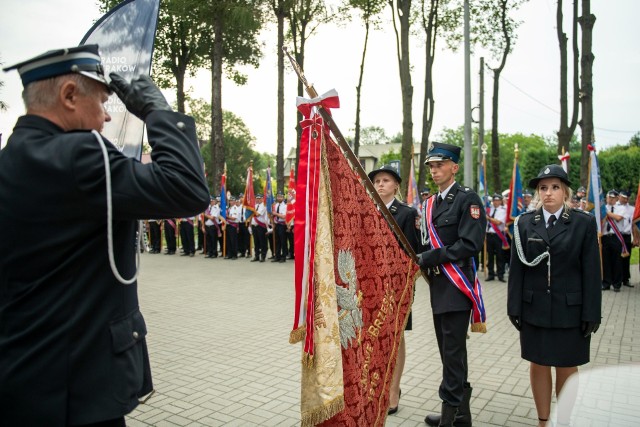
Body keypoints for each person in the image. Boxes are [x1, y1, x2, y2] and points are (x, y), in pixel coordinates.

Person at [0, 45, 210, 425]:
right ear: (68, 96)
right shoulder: (78, 156)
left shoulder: (12, 157)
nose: (104, 118)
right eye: (101, 101)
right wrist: (158, 114)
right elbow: (187, 189)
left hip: (25, 375)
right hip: (77, 388)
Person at [507, 165, 601, 427]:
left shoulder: (582, 222)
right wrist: (514, 306)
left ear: (565, 192)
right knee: (538, 364)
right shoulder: (525, 223)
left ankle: (565, 420)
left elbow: (591, 272)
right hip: (533, 307)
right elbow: (517, 270)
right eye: (543, 188)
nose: (548, 193)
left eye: (555, 187)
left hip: (570, 309)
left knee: (567, 367)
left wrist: (592, 312)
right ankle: (543, 420)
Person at [418, 142, 487, 427]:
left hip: (457, 288)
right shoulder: (431, 203)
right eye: (432, 167)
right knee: (449, 351)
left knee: (452, 352)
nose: (435, 171)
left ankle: (450, 416)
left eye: (440, 165)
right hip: (438, 287)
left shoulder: (467, 199)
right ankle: (461, 414)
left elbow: (469, 244)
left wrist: (431, 256)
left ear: (454, 167)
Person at [367, 165, 420, 416]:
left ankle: (393, 390)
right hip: (370, 286)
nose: (380, 184)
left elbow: (413, 252)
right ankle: (377, 385)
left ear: (396, 185)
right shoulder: (366, 210)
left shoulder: (407, 214)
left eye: (385, 180)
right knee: (375, 336)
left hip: (396, 286)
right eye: (376, 180)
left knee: (396, 337)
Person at [602, 190, 625, 292]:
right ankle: (606, 283)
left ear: (616, 198)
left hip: (616, 236)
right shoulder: (602, 209)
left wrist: (606, 213)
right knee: (606, 261)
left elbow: (618, 218)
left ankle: (617, 284)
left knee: (617, 261)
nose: (610, 199)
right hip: (605, 237)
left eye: (612, 197)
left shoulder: (621, 208)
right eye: (608, 197)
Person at [485, 193, 508, 282]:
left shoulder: (503, 210)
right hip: (489, 235)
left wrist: (489, 219)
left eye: (498, 200)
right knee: (490, 256)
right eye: (494, 200)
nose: (496, 202)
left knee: (500, 256)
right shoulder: (488, 210)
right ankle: (491, 274)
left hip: (498, 236)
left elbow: (498, 222)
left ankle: (500, 275)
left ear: (501, 201)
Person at [616, 191, 634, 288]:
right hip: (617, 234)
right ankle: (616, 279)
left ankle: (625, 279)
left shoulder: (631, 209)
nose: (626, 200)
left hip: (626, 235)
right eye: (624, 197)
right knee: (616, 258)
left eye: (627, 198)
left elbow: (633, 224)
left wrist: (634, 238)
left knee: (626, 258)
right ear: (619, 197)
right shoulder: (615, 206)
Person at [252, 194, 268, 262]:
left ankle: (263, 256)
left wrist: (252, 210)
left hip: (261, 226)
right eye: (257, 198)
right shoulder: (254, 206)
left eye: (259, 198)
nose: (258, 200)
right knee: (256, 242)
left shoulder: (263, 206)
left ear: (262, 199)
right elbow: (251, 216)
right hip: (254, 226)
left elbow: (258, 214)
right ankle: (256, 256)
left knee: (262, 242)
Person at [272, 191, 288, 262]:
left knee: (283, 241)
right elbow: (273, 214)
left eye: (280, 196)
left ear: (283, 197)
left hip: (282, 225)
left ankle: (283, 257)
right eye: (278, 196)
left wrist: (276, 214)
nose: (279, 198)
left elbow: (284, 216)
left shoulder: (285, 206)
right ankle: (277, 256)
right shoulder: (275, 205)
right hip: (276, 225)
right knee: (277, 241)